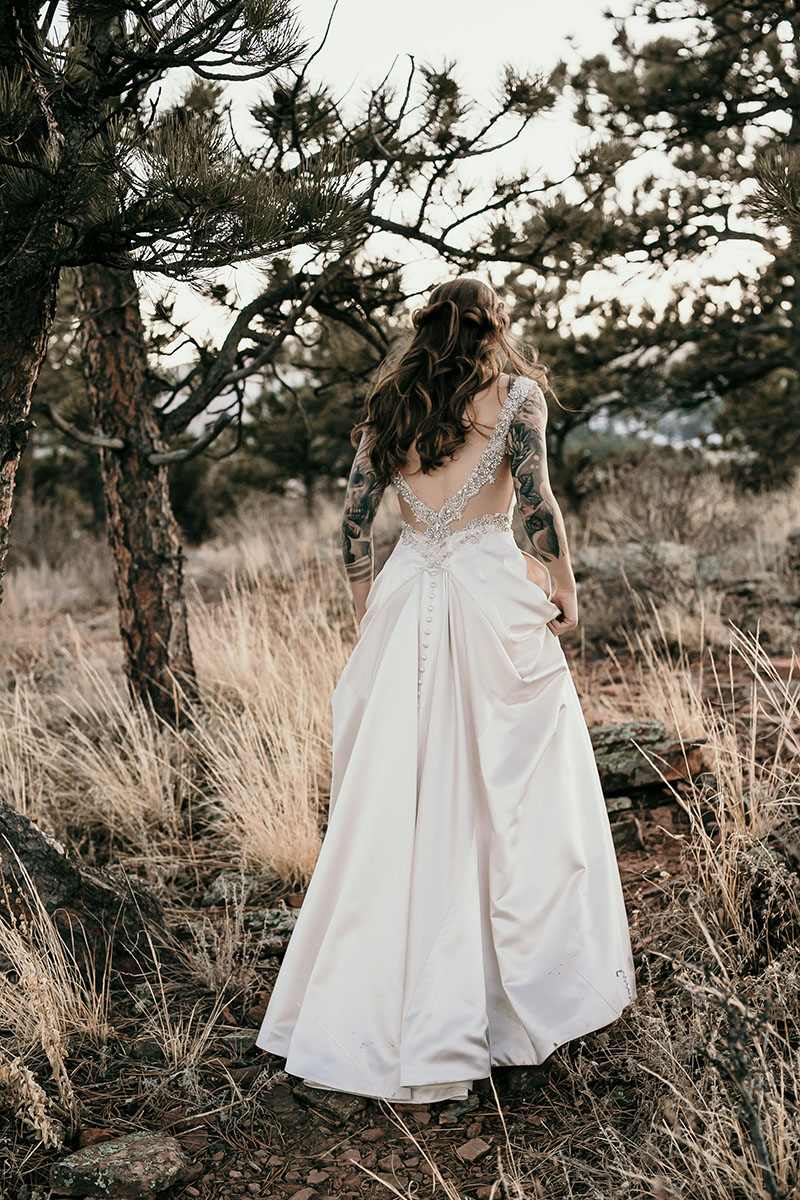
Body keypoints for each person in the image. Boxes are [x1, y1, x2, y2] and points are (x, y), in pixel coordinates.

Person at [255, 276, 637, 1104]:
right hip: (488, 592)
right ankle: (505, 998)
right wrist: (563, 581)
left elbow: (355, 523)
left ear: (424, 329)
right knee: (509, 788)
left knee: (403, 794)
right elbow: (535, 501)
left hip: (408, 597)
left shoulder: (392, 406)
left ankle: (384, 998)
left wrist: (370, 603)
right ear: (495, 327)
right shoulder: (517, 397)